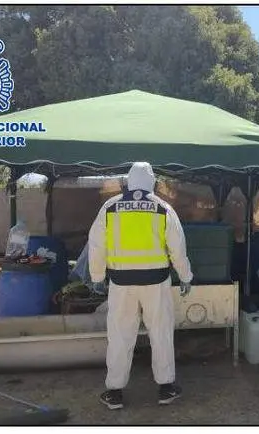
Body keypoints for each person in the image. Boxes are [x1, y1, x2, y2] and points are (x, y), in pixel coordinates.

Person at [88, 162, 193, 410]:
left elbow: (96, 245)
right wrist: (185, 276)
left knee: (120, 335)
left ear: (127, 182)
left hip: (121, 283)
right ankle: (166, 388)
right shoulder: (162, 207)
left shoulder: (110, 208)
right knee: (161, 333)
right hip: (156, 282)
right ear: (153, 183)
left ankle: (114, 393)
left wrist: (96, 277)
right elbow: (177, 247)